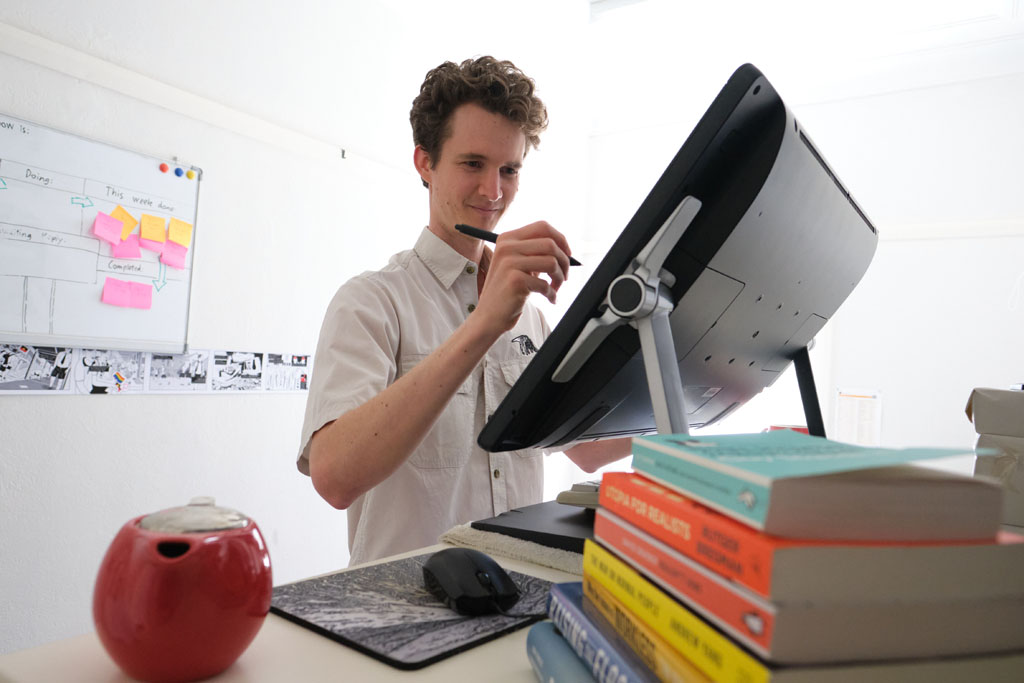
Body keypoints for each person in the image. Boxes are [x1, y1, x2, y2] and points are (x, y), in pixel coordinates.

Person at [297, 56, 630, 566]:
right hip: (404, 613)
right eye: (472, 163)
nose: (493, 192)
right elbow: (335, 477)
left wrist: (704, 397)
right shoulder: (371, 302)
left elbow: (582, 447)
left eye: (509, 170)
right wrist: (483, 324)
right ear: (425, 163)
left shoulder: (533, 316)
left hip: (520, 592)